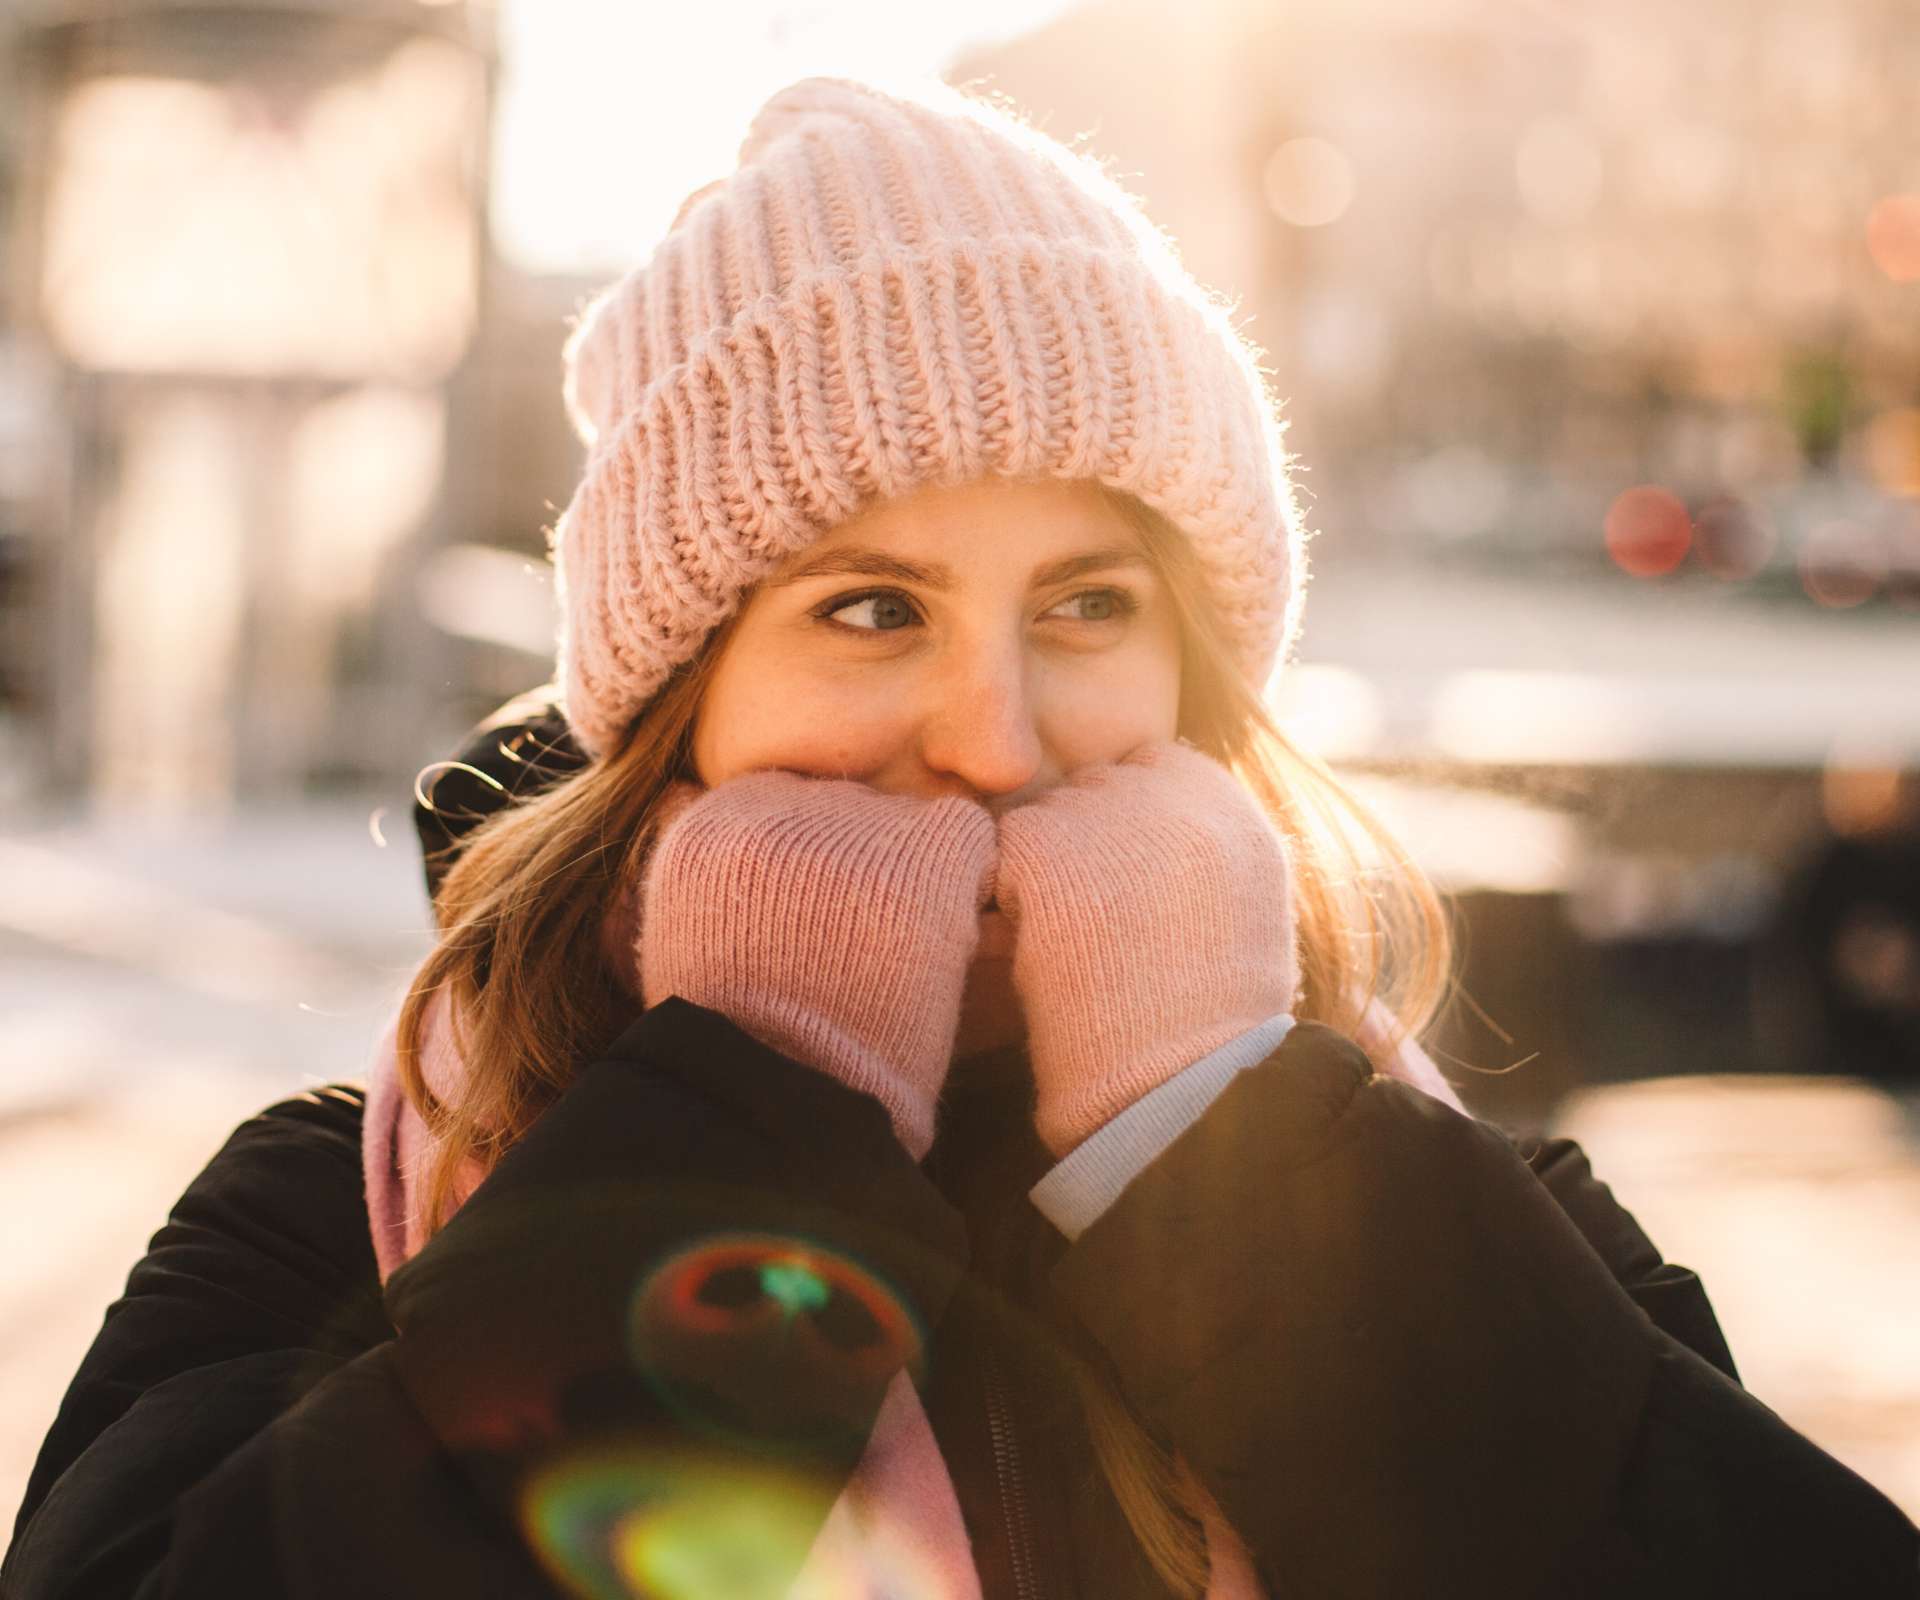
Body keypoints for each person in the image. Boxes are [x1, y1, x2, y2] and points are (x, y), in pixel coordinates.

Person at [7, 75, 1917, 1600]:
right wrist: (750, 1129)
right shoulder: (323, 1210)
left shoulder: (1479, 1212)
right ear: (685, 697)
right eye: (870, 609)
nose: (995, 744)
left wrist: (1218, 1154)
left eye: (1088, 606)